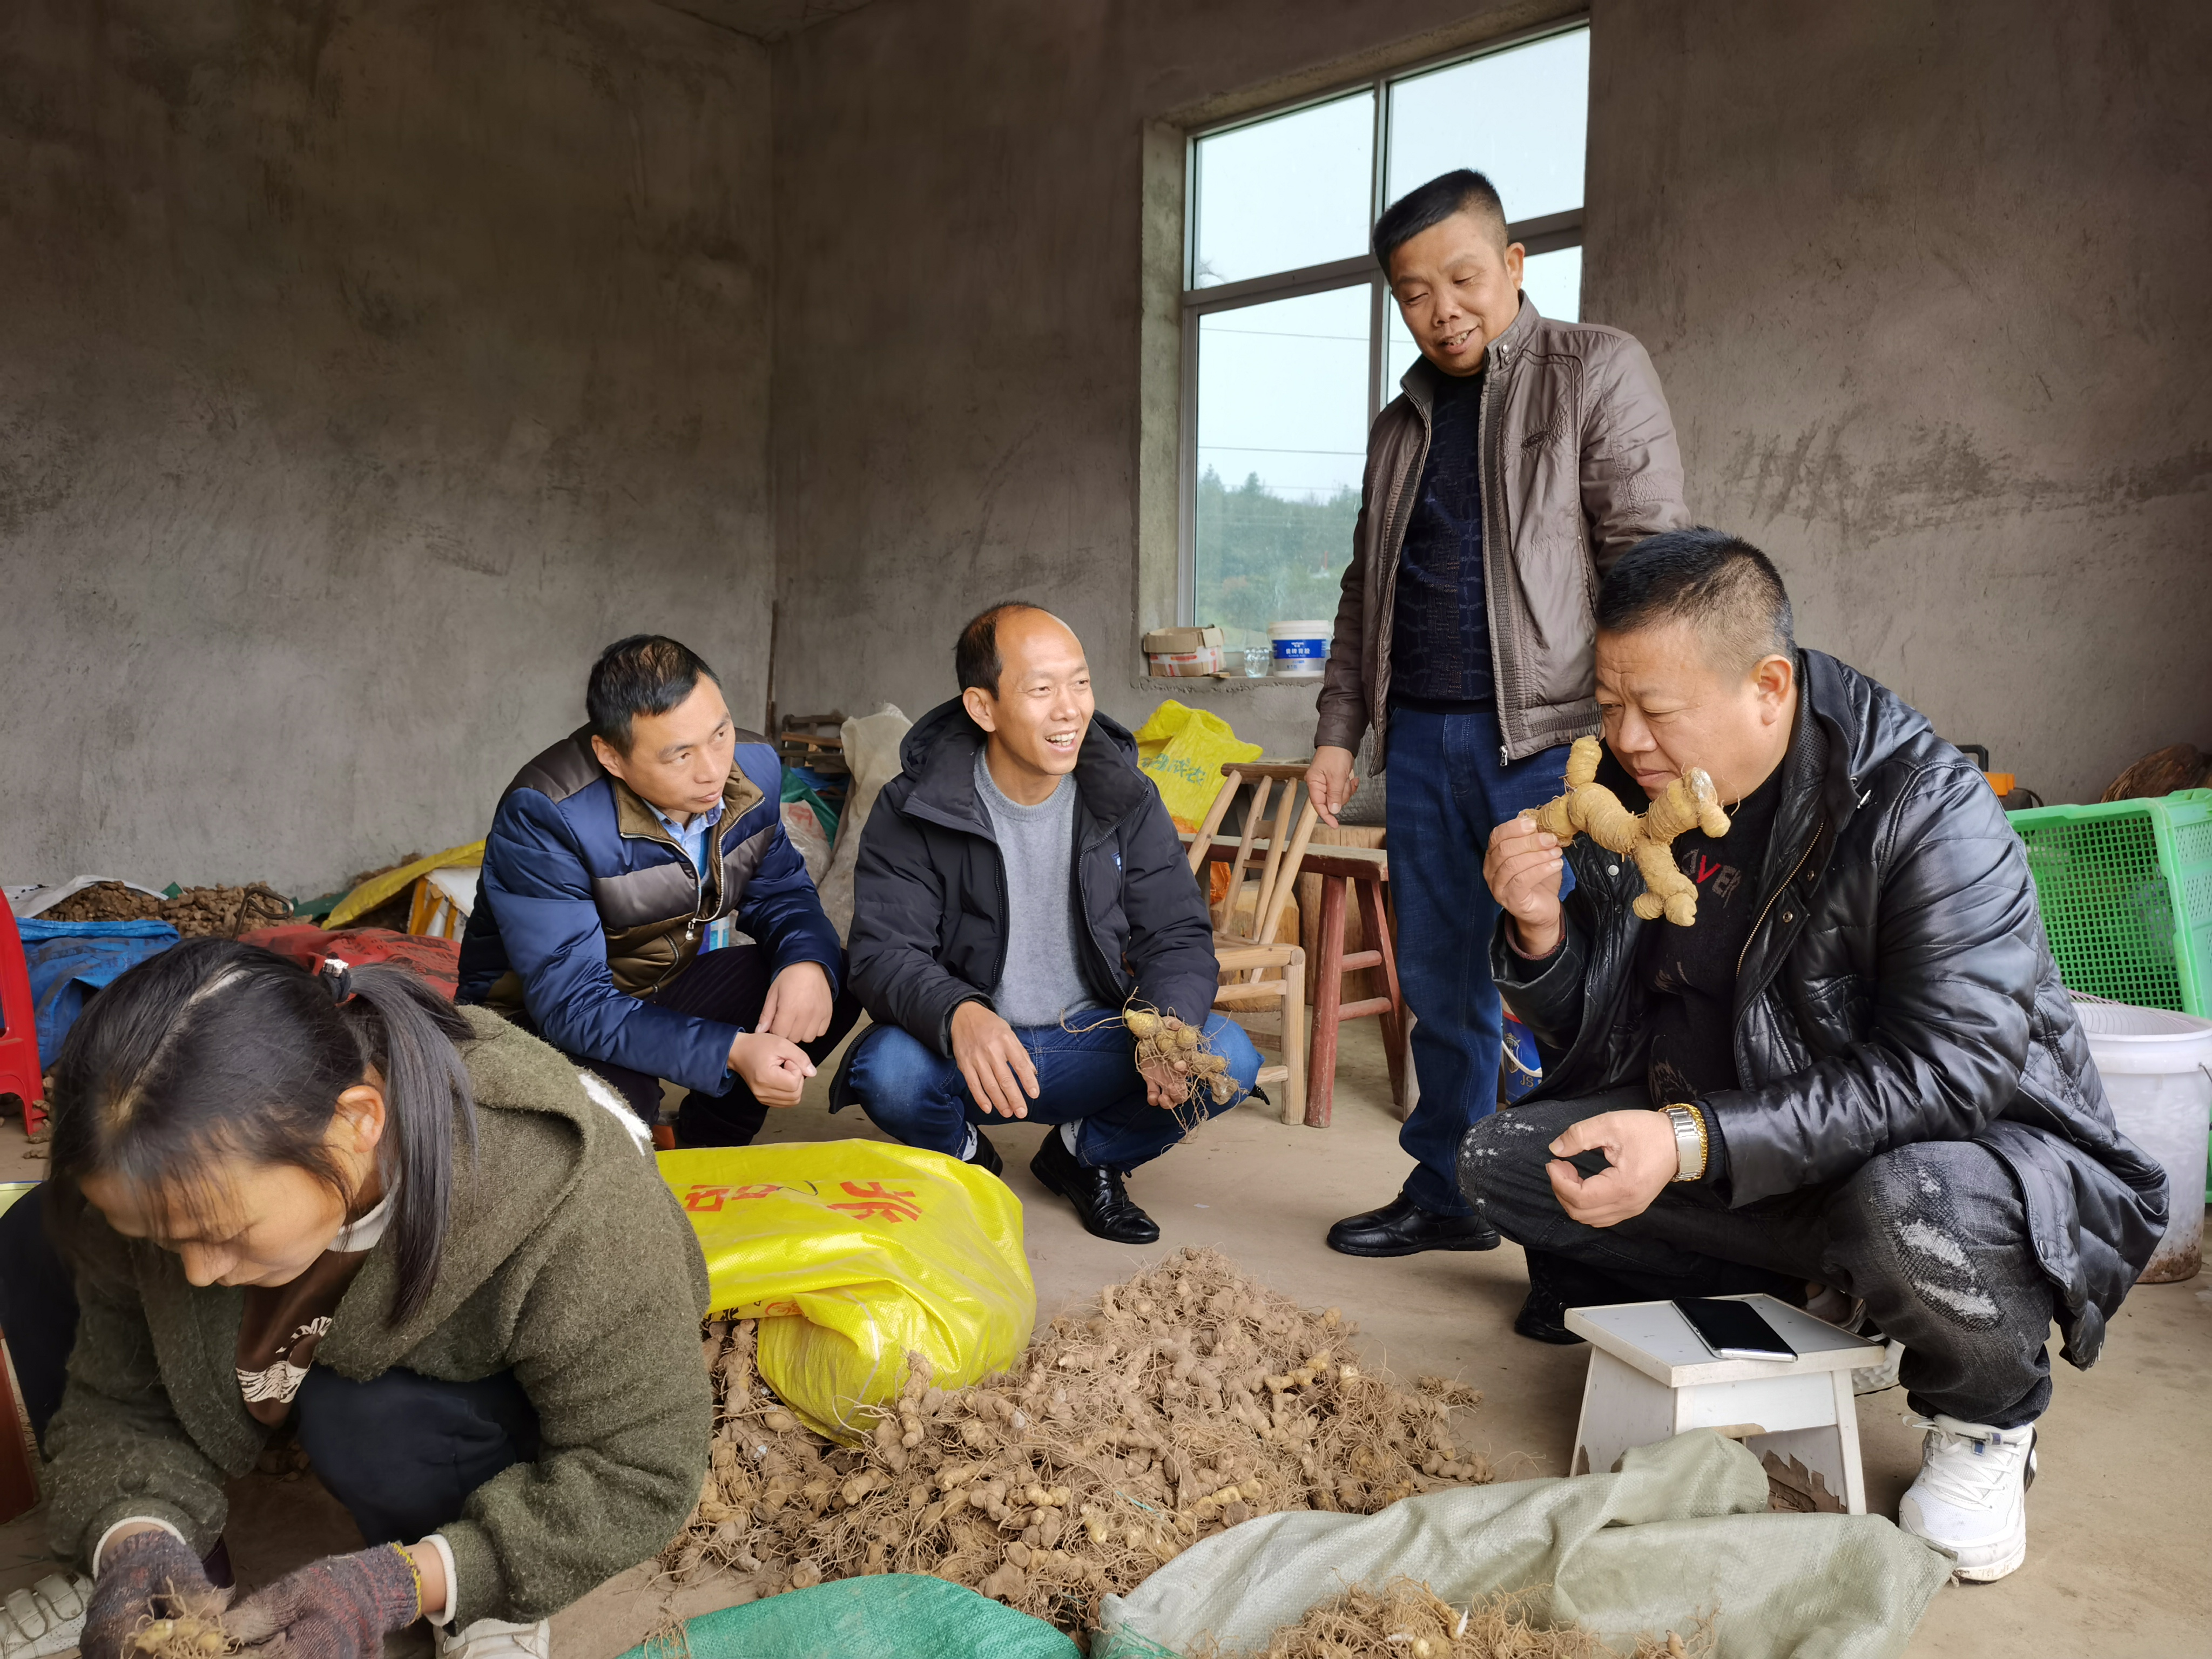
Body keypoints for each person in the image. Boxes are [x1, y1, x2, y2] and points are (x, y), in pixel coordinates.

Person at [1463, 528, 2167, 1582]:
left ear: (1767, 686)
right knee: (1501, 1164)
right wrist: (1536, 933)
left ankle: (1987, 1416)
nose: (1623, 736)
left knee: (1902, 1206)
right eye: (1606, 704)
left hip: (1955, 1157)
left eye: (1653, 709)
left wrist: (1692, 1138)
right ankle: (1836, 1300)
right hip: (1748, 1143)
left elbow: (1952, 1072)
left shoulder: (1924, 809)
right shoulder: (1638, 798)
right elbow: (1598, 1034)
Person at [8, 939, 714, 1659]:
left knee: (367, 1415)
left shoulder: (572, 1197)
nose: (196, 1273)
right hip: (310, 1318)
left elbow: (641, 1469)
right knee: (35, 1233)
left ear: (356, 1123)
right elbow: (119, 1394)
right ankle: (172, 1566)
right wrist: (135, 1537)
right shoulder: (173, 1168)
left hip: (478, 1395)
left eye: (222, 1233)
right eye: (164, 1239)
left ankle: (483, 1603)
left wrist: (405, 1581)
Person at [1304, 168, 1692, 1259]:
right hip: (1423, 736)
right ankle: (1449, 1190)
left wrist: (1642, 734)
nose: (1442, 309)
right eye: (1413, 292)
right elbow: (1361, 590)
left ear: (1513, 266)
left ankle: (1577, 1230)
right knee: (1440, 981)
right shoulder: (1399, 428)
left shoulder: (1593, 371)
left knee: (1576, 983)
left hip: (1555, 742)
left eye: (1462, 277)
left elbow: (1650, 563)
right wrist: (1339, 728)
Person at [833, 603, 1263, 1243]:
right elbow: (883, 952)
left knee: (1226, 1055)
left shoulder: (1125, 796)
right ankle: (971, 1161)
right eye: (1041, 689)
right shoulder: (915, 806)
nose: (1069, 709)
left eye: (1080, 683)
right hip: (974, 1047)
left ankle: (1084, 1156)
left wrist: (1169, 1026)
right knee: (887, 1071)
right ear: (983, 708)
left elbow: (1174, 933)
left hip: (1094, 1037)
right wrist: (958, 1014)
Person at [457, 635, 857, 1147]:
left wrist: (805, 960)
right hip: (539, 1019)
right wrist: (730, 1050)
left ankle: (709, 1144)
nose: (713, 770)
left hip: (657, 982)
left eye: (720, 733)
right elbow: (573, 1005)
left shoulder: (752, 770)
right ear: (611, 756)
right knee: (622, 1112)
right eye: (680, 755)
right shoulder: (546, 814)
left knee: (828, 981)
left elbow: (780, 890)